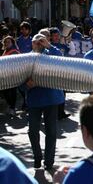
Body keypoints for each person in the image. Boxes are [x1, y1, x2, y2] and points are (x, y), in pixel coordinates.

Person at [24, 34, 64, 171]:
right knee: (32, 131)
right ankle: (37, 157)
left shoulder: (51, 53)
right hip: (34, 101)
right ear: (32, 43)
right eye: (36, 42)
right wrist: (27, 85)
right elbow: (18, 79)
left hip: (51, 99)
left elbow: (62, 61)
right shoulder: (26, 58)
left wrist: (49, 46)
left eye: (41, 42)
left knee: (51, 132)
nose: (39, 44)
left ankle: (49, 161)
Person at [1, 36, 20, 116]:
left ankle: (12, 108)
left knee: (12, 91)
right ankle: (10, 105)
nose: (6, 43)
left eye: (8, 42)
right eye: (5, 42)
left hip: (13, 74)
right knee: (4, 91)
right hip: (6, 75)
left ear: (12, 43)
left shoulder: (14, 51)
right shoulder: (5, 51)